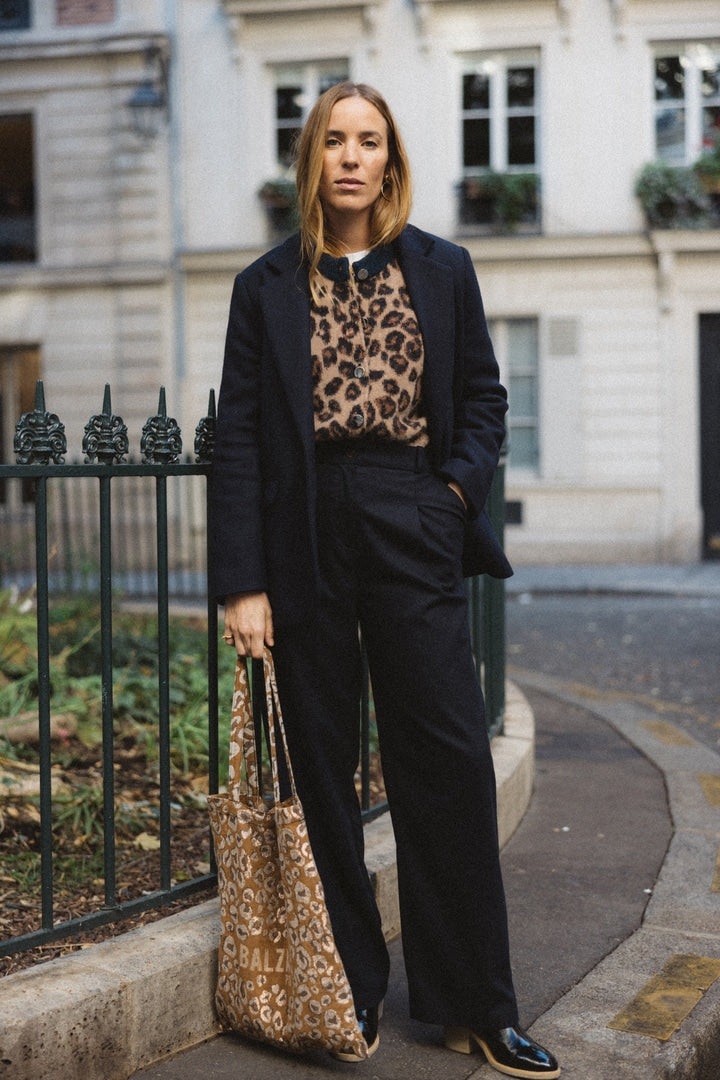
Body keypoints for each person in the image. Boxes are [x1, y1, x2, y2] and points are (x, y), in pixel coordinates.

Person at [210, 80, 560, 1079]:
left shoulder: (443, 270)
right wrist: (243, 581)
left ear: (391, 158)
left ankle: (476, 1006)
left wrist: (450, 494)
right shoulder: (265, 286)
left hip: (411, 513)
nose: (352, 158)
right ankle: (347, 991)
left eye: (370, 141)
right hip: (305, 533)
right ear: (311, 159)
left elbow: (484, 400)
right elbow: (239, 439)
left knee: (445, 761)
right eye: (335, 141)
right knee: (322, 770)